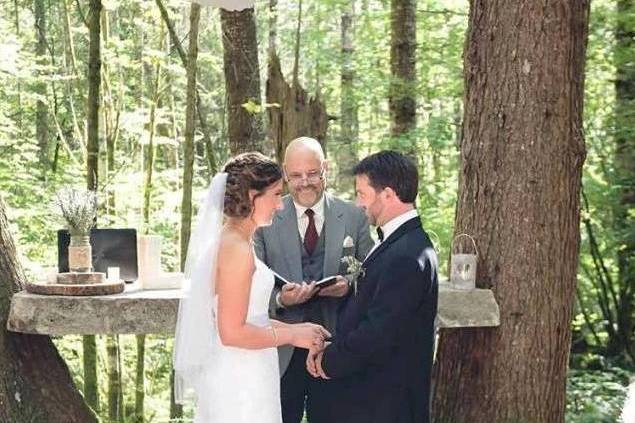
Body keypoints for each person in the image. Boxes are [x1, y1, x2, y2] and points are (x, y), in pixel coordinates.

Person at [173, 152, 330, 423]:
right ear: (250, 196)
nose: (281, 206)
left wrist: (299, 330)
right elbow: (232, 332)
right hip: (239, 377)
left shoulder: (237, 240)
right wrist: (292, 336)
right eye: (276, 194)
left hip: (250, 367)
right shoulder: (235, 249)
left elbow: (250, 317)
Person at [306, 150, 439, 423]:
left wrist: (329, 362)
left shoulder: (407, 255)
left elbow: (378, 331)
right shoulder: (399, 243)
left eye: (362, 194)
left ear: (388, 194)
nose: (358, 204)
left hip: (385, 404)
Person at [254, 137, 373, 423]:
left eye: (312, 173)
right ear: (285, 173)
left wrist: (348, 287)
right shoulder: (265, 219)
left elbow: (372, 276)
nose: (304, 182)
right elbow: (249, 282)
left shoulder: (355, 216)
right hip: (281, 352)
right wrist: (282, 299)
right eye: (296, 175)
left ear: (326, 169)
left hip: (336, 347)